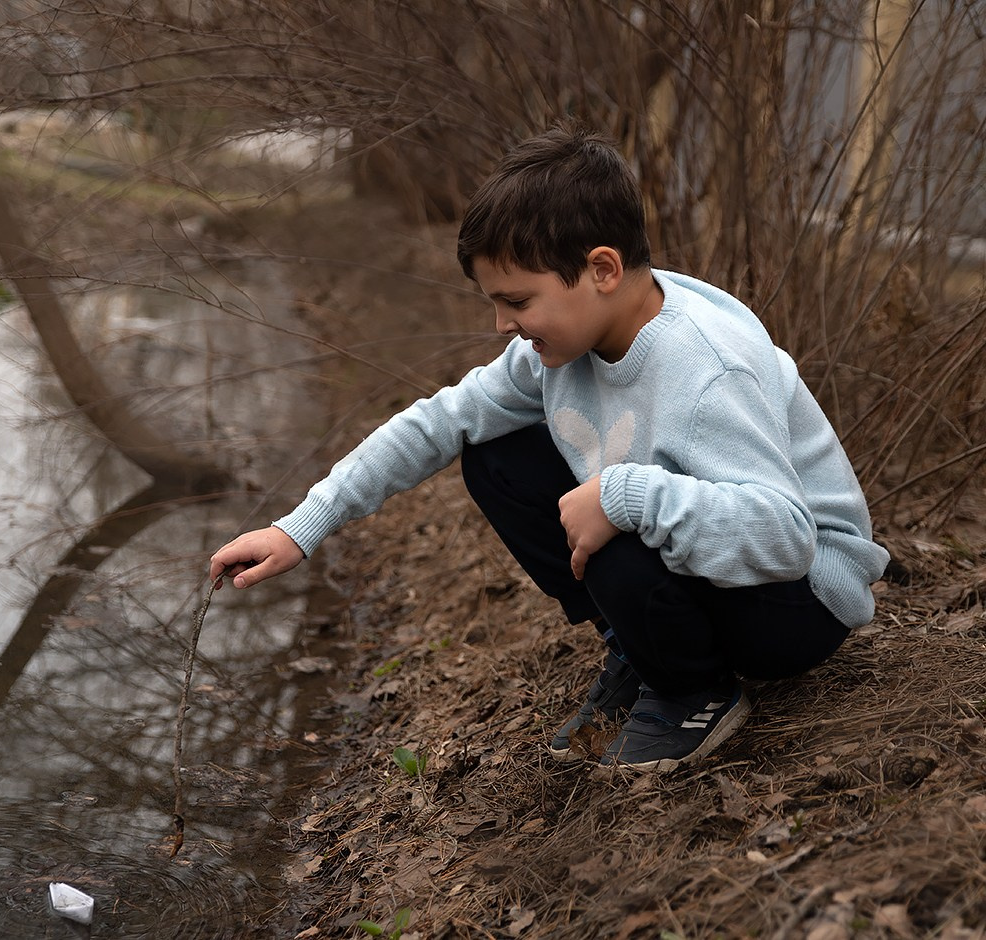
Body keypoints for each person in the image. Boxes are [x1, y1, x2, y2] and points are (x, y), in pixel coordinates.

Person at [208, 122, 890, 772]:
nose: (505, 323)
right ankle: (643, 649)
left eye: (518, 300)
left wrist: (624, 494)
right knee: (494, 454)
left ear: (601, 269)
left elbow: (785, 537)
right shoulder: (557, 351)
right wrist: (299, 530)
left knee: (618, 512)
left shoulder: (707, 368)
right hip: (725, 566)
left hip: (802, 604)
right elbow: (438, 421)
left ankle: (695, 695)